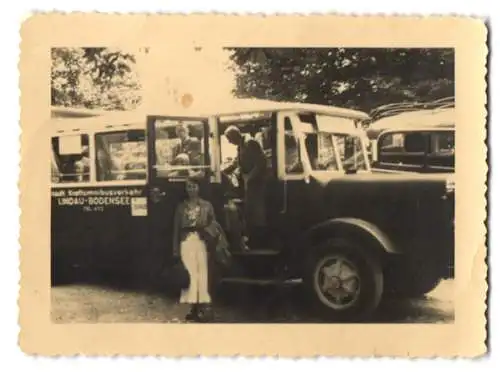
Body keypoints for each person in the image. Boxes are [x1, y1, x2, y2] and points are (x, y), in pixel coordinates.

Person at [172, 177, 229, 322]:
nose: (191, 190)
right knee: (190, 274)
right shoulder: (181, 207)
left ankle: (203, 308)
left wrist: (209, 237)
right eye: (189, 187)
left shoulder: (207, 205)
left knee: (202, 273)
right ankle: (192, 307)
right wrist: (175, 249)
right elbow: (176, 229)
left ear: (199, 188)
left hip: (202, 241)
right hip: (186, 241)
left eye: (194, 186)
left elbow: (214, 224)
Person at [221, 125, 268, 249]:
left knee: (256, 213)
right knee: (249, 213)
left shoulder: (250, 143)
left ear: (235, 136)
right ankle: (251, 240)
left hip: (256, 184)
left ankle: (260, 242)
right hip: (248, 184)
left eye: (229, 139)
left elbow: (261, 162)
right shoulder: (240, 146)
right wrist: (222, 171)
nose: (229, 142)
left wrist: (250, 178)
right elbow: (237, 163)